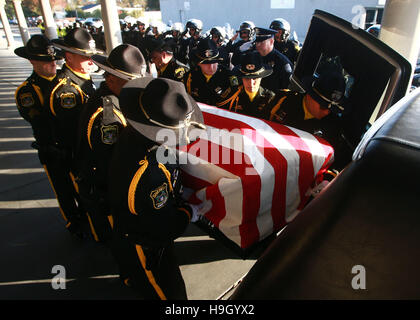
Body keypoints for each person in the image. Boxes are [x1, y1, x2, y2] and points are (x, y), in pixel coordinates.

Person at [108, 77, 205, 299]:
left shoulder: (133, 134)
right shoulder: (150, 174)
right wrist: (187, 212)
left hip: (126, 225)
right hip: (146, 245)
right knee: (171, 295)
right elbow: (162, 226)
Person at [75, 44, 147, 243]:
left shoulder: (117, 100)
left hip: (111, 186)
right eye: (131, 81)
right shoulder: (108, 117)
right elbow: (112, 164)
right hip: (107, 192)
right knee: (120, 244)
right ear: (111, 78)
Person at [13, 35, 80, 232]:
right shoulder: (26, 91)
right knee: (63, 189)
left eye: (52, 59)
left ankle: (86, 216)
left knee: (81, 186)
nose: (51, 63)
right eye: (45, 60)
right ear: (32, 61)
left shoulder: (67, 81)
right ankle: (73, 221)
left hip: (72, 147)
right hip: (51, 150)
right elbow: (38, 120)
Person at [46, 27, 100, 236]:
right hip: (78, 155)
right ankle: (96, 234)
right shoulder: (67, 90)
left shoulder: (82, 78)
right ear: (69, 56)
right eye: (85, 56)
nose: (90, 60)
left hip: (87, 152)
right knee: (87, 196)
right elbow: (75, 132)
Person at [269, 70, 352, 169]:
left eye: (331, 109)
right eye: (323, 106)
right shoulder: (284, 100)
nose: (326, 112)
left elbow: (332, 161)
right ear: (310, 95)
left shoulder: (332, 126)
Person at [184, 37, 239, 108]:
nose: (211, 67)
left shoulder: (229, 77)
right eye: (206, 63)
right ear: (198, 63)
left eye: (214, 62)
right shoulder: (190, 77)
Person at [226, 50, 278, 118]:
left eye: (255, 78)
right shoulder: (232, 95)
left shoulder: (270, 98)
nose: (251, 83)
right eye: (247, 79)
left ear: (261, 78)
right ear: (242, 78)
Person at [254, 27, 293, 91]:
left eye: (261, 42)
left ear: (271, 41)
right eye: (257, 42)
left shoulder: (282, 63)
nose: (258, 45)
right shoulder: (253, 57)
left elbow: (287, 89)